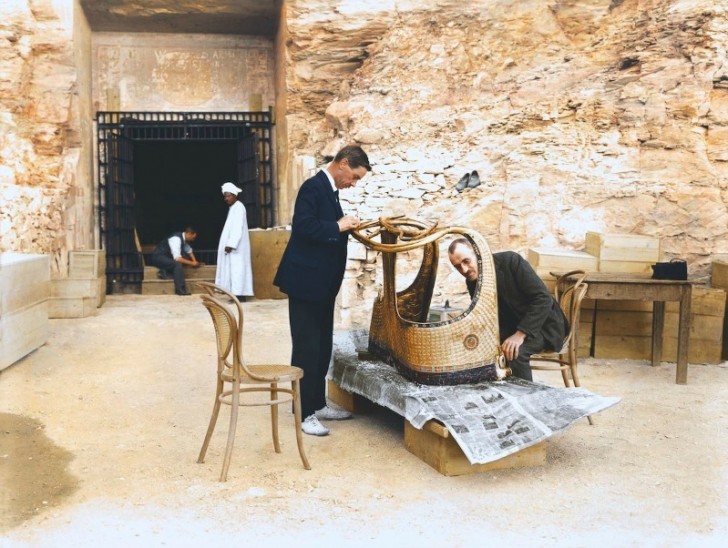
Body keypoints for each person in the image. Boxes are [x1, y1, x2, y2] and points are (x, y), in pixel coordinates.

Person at [274, 145, 371, 436]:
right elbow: (303, 227)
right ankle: (304, 413)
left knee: (321, 346)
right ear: (342, 164)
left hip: (321, 285)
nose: (353, 183)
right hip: (305, 284)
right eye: (353, 176)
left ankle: (317, 403)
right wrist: (338, 225)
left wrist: (346, 226)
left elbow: (325, 227)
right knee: (306, 347)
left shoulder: (330, 191)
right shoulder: (313, 187)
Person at [448, 238, 568, 381]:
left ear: (479, 254)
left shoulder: (511, 261)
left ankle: (525, 399)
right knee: (476, 347)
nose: (464, 270)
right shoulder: (472, 281)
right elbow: (485, 315)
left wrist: (519, 335)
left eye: (466, 261)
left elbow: (543, 299)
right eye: (457, 267)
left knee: (516, 351)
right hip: (512, 326)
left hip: (545, 325)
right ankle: (498, 393)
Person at [215, 182, 254, 300]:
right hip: (233, 247)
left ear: (234, 195)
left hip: (237, 247)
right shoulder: (233, 208)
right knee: (233, 271)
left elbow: (238, 227)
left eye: (228, 196)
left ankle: (240, 296)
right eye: (225, 196)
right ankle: (235, 294)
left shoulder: (238, 207)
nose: (226, 198)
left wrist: (231, 244)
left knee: (238, 271)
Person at [148, 227, 203, 296]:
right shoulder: (176, 239)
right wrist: (192, 263)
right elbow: (177, 258)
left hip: (165, 257)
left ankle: (164, 273)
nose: (193, 240)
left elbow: (189, 250)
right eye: (193, 237)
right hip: (157, 257)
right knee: (177, 264)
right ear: (189, 234)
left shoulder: (184, 240)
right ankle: (180, 290)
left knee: (184, 260)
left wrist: (195, 261)